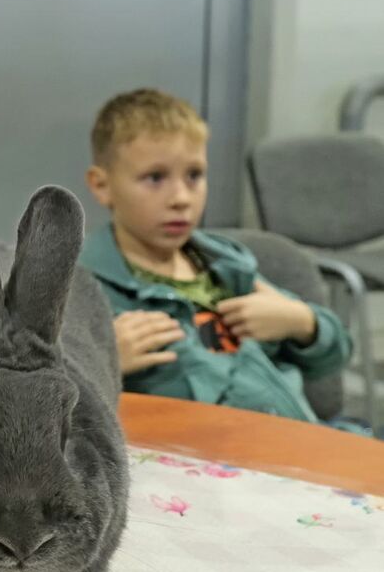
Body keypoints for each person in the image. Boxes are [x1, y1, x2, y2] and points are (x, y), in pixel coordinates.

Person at [80, 88, 353, 425]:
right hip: (203, 465)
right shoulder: (81, 289)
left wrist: (302, 323)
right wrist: (100, 366)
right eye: (155, 178)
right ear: (102, 185)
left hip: (305, 445)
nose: (181, 198)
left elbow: (331, 360)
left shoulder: (226, 265)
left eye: (194, 175)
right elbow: (37, 410)